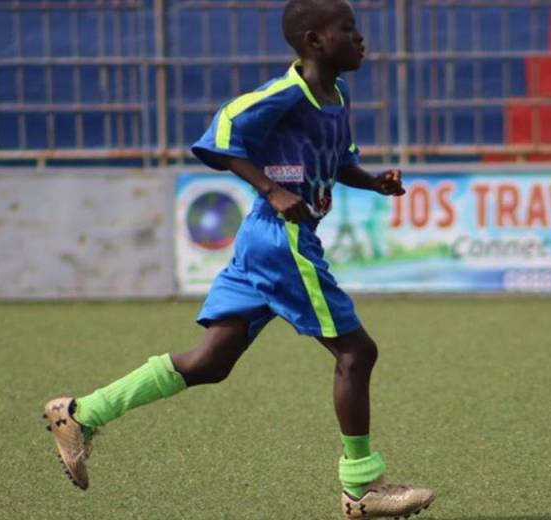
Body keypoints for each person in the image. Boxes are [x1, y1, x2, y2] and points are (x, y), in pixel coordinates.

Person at [42, 1, 434, 517]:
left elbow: (339, 162)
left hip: (266, 241)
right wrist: (271, 189)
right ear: (315, 41)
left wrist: (374, 182)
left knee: (211, 362)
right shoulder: (285, 92)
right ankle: (361, 488)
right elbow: (221, 134)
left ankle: (81, 413)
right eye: (349, 29)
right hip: (282, 240)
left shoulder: (335, 95)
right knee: (357, 353)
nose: (360, 38)